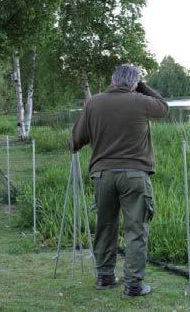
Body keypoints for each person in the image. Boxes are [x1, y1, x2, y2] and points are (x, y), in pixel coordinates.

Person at [70, 65, 169, 297]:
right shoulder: (141, 101)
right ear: (134, 83)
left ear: (113, 80)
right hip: (135, 175)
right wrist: (142, 86)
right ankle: (133, 285)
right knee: (136, 231)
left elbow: (77, 138)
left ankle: (104, 278)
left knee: (105, 228)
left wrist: (75, 145)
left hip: (103, 176)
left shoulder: (95, 102)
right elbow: (163, 108)